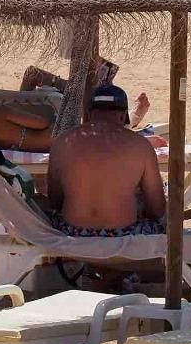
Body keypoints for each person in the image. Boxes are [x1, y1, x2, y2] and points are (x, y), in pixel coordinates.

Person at [44, 85, 166, 236]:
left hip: (73, 234)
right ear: (123, 117)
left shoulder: (63, 141)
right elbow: (157, 209)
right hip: (123, 235)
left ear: (87, 115)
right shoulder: (141, 146)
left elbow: (55, 201)